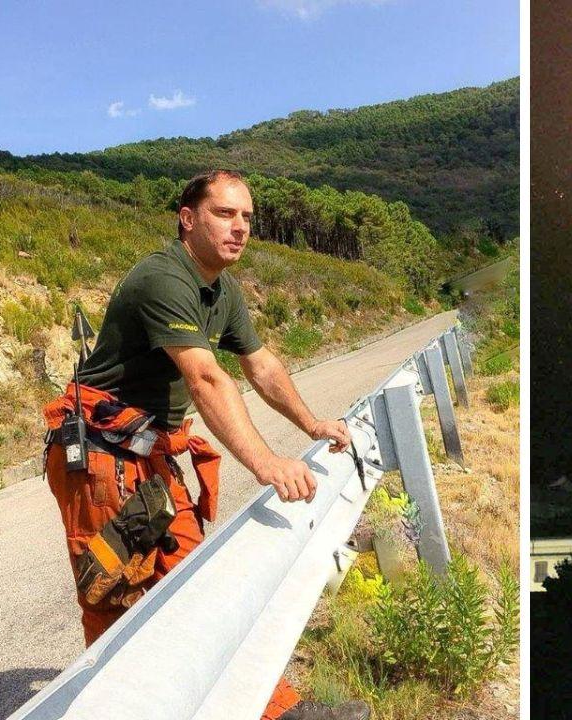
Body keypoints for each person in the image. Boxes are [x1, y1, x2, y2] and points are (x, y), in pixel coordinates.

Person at [41, 169, 368, 720]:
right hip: (98, 454)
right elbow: (207, 378)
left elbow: (260, 366)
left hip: (148, 450)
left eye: (247, 217)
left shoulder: (222, 289)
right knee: (114, 595)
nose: (240, 227)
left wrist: (312, 424)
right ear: (187, 219)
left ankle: (274, 711)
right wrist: (266, 462)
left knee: (198, 581)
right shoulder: (164, 278)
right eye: (224, 213)